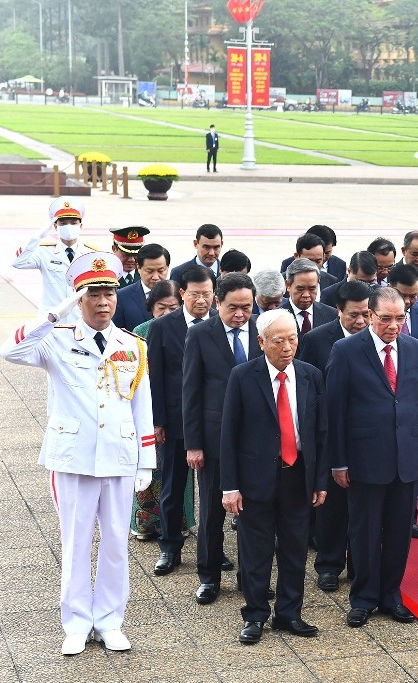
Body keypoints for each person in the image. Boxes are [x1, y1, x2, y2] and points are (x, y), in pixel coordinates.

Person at [0, 251, 155, 655]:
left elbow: (142, 406)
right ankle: (76, 623)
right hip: (73, 457)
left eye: (109, 294)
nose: (103, 302)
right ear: (78, 299)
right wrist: (54, 314)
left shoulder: (132, 345)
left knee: (116, 543)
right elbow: (9, 351)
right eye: (93, 295)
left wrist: (146, 461)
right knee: (76, 543)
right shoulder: (56, 339)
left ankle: (110, 620)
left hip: (119, 457)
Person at [326, 287, 418, 628]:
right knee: (365, 533)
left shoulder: (413, 348)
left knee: (400, 533)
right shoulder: (346, 350)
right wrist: (339, 461)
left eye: (400, 318)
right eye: (386, 319)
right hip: (365, 458)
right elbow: (335, 411)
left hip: (406, 457)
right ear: (370, 316)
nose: (393, 326)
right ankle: (363, 597)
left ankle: (391, 595)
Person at [221, 309, 328, 644]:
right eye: (279, 340)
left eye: (292, 339)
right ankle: (255, 614)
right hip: (256, 479)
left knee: (295, 549)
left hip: (298, 475)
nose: (287, 347)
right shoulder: (243, 376)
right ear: (261, 341)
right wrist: (230, 486)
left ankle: (289, 612)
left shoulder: (310, 375)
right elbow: (229, 435)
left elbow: (320, 432)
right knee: (256, 550)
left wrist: (320, 481)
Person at [182, 273, 263, 606]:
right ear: (218, 303)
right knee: (212, 513)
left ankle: (250, 577)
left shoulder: (262, 329)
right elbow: (191, 391)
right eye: (233, 307)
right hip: (214, 439)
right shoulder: (201, 334)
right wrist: (193, 444)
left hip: (255, 439)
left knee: (253, 514)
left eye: (247, 307)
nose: (241, 314)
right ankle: (209, 577)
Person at [299, 281, 371, 594]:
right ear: (338, 310)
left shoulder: (376, 337)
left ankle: (358, 564)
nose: (361, 321)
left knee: (364, 506)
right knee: (332, 506)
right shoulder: (316, 339)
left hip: (366, 434)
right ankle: (329, 565)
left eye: (366, 314)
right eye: (354, 314)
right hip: (329, 433)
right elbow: (305, 387)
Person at [150, 266, 217, 577]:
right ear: (182, 294)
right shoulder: (163, 327)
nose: (202, 300)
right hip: (177, 419)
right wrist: (158, 421)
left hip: (213, 419)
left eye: (207, 294)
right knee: (173, 486)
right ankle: (170, 546)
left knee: (213, 491)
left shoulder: (220, 323)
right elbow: (156, 378)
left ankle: (213, 549)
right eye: (195, 294)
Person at [130, 279, 194, 542]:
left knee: (179, 474)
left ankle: (181, 522)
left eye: (173, 307)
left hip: (178, 411)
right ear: (151, 307)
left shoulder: (189, 328)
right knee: (149, 469)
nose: (167, 313)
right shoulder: (140, 332)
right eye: (161, 308)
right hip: (147, 408)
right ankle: (145, 523)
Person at [11, 197, 101, 317]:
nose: (68, 226)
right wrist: (37, 238)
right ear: (55, 226)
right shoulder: (44, 251)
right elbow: (19, 262)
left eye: (73, 223)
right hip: (50, 318)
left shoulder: (91, 254)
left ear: (80, 225)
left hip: (80, 317)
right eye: (63, 223)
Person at [112, 243, 170, 332]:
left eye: (161, 271)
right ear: (138, 267)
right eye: (150, 271)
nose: (155, 277)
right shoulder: (121, 297)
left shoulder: (178, 294)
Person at [279, 258, 338, 344]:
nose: (306, 295)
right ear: (288, 285)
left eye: (312, 289)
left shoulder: (332, 315)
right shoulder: (276, 318)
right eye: (300, 289)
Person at [388, 263, 418, 339]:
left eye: (412, 296)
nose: (407, 301)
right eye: (402, 295)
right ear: (390, 288)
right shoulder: (378, 312)